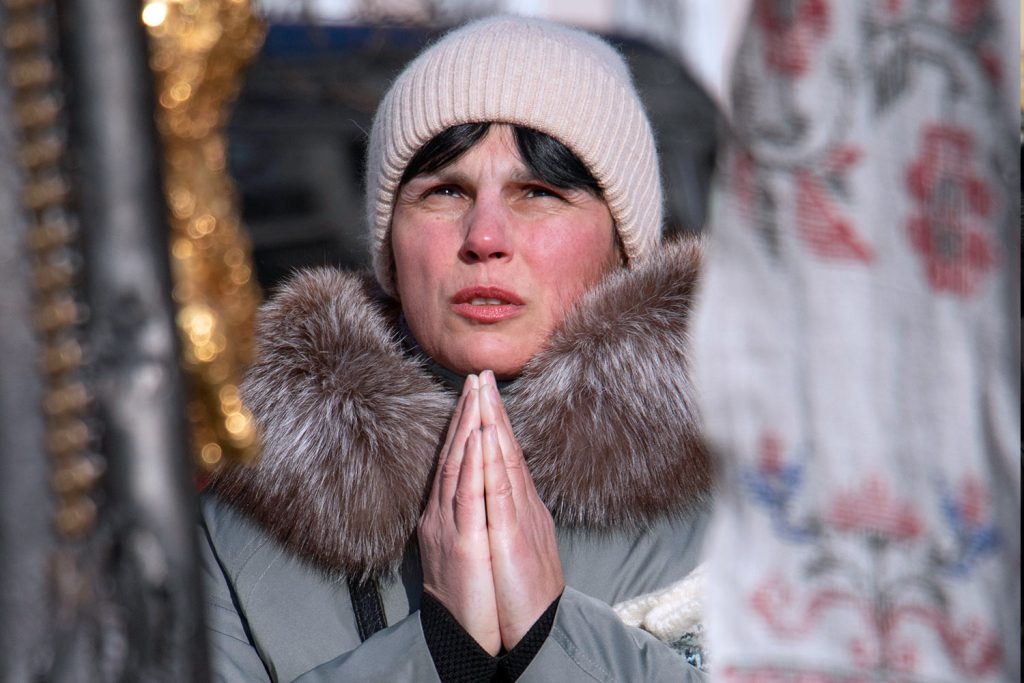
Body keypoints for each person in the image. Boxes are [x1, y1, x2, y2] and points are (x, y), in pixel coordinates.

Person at [201, 14, 711, 682]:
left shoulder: (755, 491)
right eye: (445, 190)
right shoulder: (248, 521)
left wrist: (552, 640)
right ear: (389, 243)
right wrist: (437, 652)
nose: (486, 236)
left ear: (623, 246)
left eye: (539, 192)